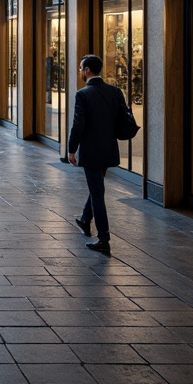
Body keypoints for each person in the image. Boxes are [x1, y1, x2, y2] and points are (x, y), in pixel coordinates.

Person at [67, 53, 128, 255]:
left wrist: (71, 149)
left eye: (80, 69)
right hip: (109, 149)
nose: (80, 73)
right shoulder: (115, 91)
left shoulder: (83, 94)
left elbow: (78, 125)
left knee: (97, 193)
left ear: (87, 70)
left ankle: (104, 239)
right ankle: (85, 219)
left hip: (91, 151)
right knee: (96, 188)